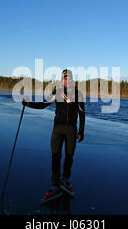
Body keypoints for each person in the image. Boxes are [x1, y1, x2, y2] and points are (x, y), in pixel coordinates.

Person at [22, 69, 85, 199]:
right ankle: (54, 184)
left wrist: (81, 131)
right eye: (65, 78)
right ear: (62, 80)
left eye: (69, 78)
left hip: (71, 130)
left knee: (69, 156)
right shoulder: (56, 92)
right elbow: (43, 104)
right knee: (55, 157)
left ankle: (65, 179)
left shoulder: (78, 94)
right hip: (58, 129)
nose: (67, 80)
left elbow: (82, 113)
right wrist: (28, 104)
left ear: (72, 79)